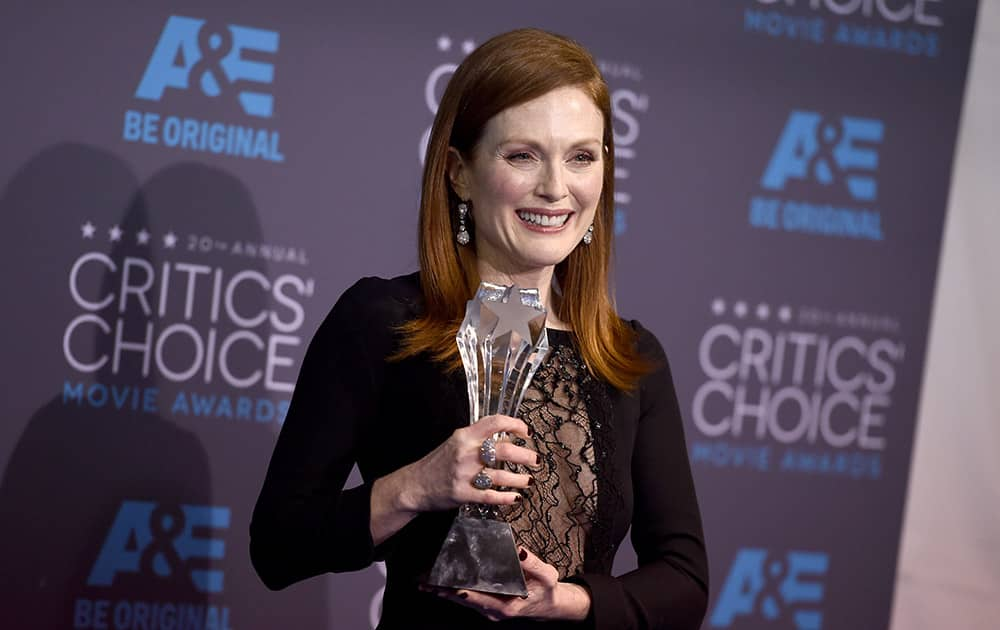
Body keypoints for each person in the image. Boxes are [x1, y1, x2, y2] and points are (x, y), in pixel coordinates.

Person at [250, 28, 708, 629]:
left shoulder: (628, 356)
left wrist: (570, 601)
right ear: (459, 174)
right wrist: (418, 485)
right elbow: (279, 546)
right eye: (522, 155)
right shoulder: (383, 321)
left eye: (581, 156)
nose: (555, 187)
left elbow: (684, 579)